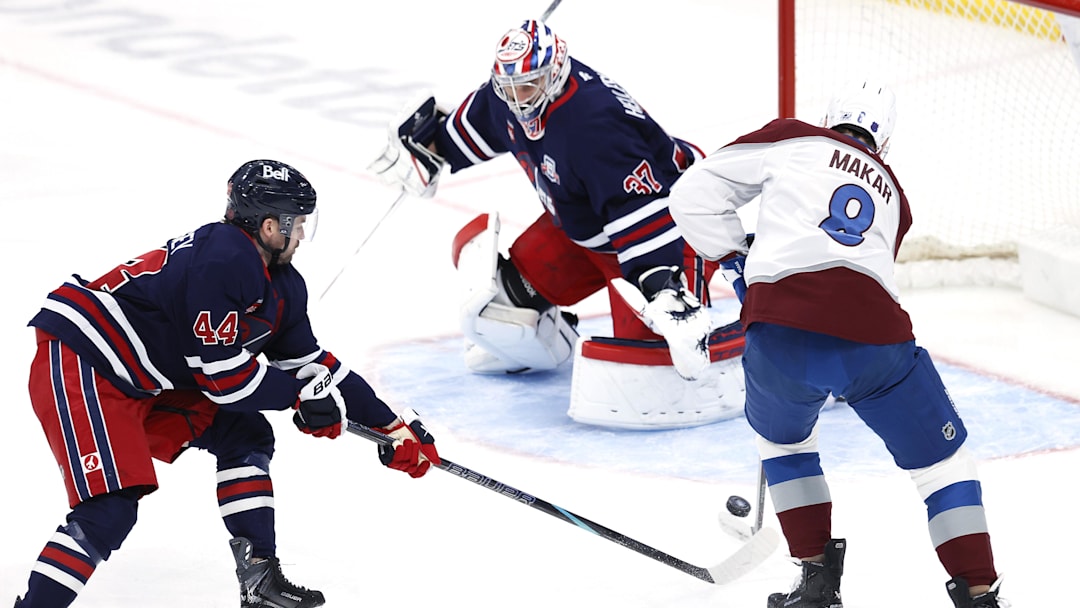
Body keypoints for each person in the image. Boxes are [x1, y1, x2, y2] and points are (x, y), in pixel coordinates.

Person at [14, 159, 441, 608]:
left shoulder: (281, 284)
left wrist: (390, 424)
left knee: (244, 432)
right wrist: (299, 397)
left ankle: (260, 581)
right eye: (297, 226)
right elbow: (224, 380)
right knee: (110, 508)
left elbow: (313, 364)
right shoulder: (224, 256)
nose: (301, 237)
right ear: (270, 225)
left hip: (144, 378)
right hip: (85, 361)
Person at [666, 82, 1008, 607]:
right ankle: (980, 594)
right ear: (884, 141)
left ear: (828, 119)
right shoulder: (895, 194)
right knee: (943, 466)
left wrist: (737, 259)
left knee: (784, 446)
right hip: (873, 342)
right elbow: (852, 269)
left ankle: (816, 582)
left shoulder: (792, 137)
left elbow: (690, 196)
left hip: (776, 335)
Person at [369, 19, 746, 430]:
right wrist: (426, 148)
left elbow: (641, 210)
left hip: (668, 228)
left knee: (660, 359)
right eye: (508, 87)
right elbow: (469, 131)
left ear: (555, 73)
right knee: (498, 312)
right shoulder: (508, 95)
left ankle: (731, 305)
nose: (517, 98)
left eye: (527, 86)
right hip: (586, 225)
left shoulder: (594, 124)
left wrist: (661, 286)